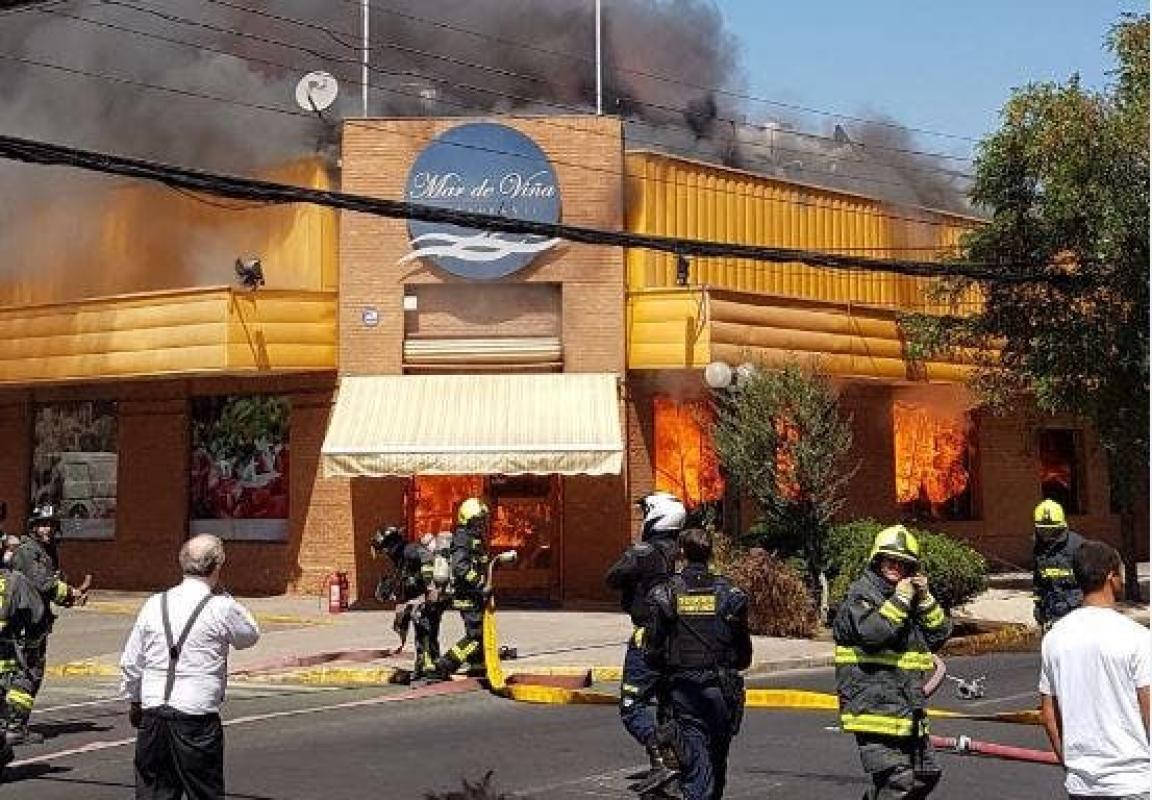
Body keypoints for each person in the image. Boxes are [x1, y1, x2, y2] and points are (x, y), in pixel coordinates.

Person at [120, 534, 260, 800]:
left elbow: (132, 660)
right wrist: (224, 593)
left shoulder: (155, 603)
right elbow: (249, 635)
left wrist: (135, 700)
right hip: (195, 717)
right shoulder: (221, 607)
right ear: (218, 565)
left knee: (154, 792)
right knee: (204, 791)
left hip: (154, 712)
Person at [833, 524, 952, 800]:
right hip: (874, 707)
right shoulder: (861, 595)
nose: (896, 567)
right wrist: (901, 599)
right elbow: (873, 633)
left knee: (926, 774)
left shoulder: (910, 597)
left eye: (903, 563)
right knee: (898, 781)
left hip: (906, 706)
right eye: (890, 560)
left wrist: (925, 599)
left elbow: (938, 635)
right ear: (877, 560)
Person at [643, 527, 752, 800]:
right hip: (721, 688)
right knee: (717, 757)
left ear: (681, 553)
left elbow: (652, 649)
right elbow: (743, 653)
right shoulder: (730, 594)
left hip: (684, 689)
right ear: (710, 553)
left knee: (695, 761)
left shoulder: (666, 593)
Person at [1039, 539, 1150, 800]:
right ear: (1111, 576)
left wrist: (1071, 764)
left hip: (1082, 786)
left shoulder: (1055, 638)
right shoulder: (1137, 637)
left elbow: (1049, 714)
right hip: (1133, 783)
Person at [605, 492, 686, 792]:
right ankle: (674, 762)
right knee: (667, 704)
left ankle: (661, 759)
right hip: (677, 639)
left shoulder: (643, 552)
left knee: (632, 705)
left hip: (648, 638)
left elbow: (612, 577)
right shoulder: (685, 551)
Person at [7, 503, 86, 743]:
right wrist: (70, 592)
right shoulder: (27, 551)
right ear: (33, 527)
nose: (47, 529)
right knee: (26, 673)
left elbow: (50, 586)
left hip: (36, 623)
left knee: (29, 672)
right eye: (42, 525)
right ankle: (14, 727)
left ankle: (12, 724)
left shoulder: (45, 551)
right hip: (23, 624)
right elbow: (43, 582)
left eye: (51, 525)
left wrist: (69, 597)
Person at [370, 525, 445, 682]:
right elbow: (407, 576)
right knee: (423, 633)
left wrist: (430, 587)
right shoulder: (400, 556)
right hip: (422, 598)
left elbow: (427, 559)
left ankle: (428, 669)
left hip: (428, 598)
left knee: (425, 632)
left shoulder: (410, 550)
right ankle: (427, 667)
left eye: (384, 549)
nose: (384, 553)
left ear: (391, 544)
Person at [430, 498, 490, 681]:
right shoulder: (463, 538)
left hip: (474, 594)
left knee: (479, 631)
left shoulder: (474, 538)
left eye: (482, 521)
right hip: (467, 594)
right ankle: (446, 664)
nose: (481, 525)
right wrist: (479, 582)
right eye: (477, 521)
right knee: (475, 636)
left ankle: (477, 665)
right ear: (467, 519)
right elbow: (460, 567)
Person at [0, 563, 47, 766]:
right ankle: (14, 727)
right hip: (6, 659)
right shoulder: (15, 580)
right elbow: (37, 618)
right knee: (26, 679)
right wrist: (32, 647)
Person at [1032, 499, 1085, 628]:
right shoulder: (1038, 548)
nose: (1047, 535)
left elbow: (1089, 583)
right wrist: (1039, 606)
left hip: (1076, 613)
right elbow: (1039, 581)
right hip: (1051, 612)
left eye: (1051, 530)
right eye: (1043, 530)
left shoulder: (1079, 546)